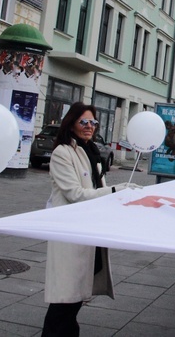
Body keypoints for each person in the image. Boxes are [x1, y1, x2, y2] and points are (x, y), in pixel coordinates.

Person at [42, 102, 140, 336]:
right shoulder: (62, 152)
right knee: (64, 301)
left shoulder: (91, 151)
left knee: (72, 302)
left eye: (93, 122)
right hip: (69, 233)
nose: (89, 127)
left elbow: (97, 187)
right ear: (71, 123)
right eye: (83, 122)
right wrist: (116, 191)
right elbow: (75, 194)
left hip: (88, 232)